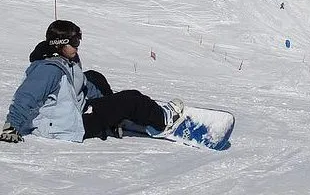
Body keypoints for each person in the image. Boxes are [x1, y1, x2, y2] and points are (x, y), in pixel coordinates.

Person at [0, 20, 184, 144]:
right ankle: (163, 120)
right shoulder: (48, 70)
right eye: (74, 42)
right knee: (132, 99)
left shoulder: (66, 61)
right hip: (66, 126)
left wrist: (110, 105)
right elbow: (26, 96)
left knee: (94, 77)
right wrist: (11, 126)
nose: (78, 45)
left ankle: (117, 119)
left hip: (73, 112)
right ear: (60, 43)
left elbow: (83, 84)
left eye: (79, 40)